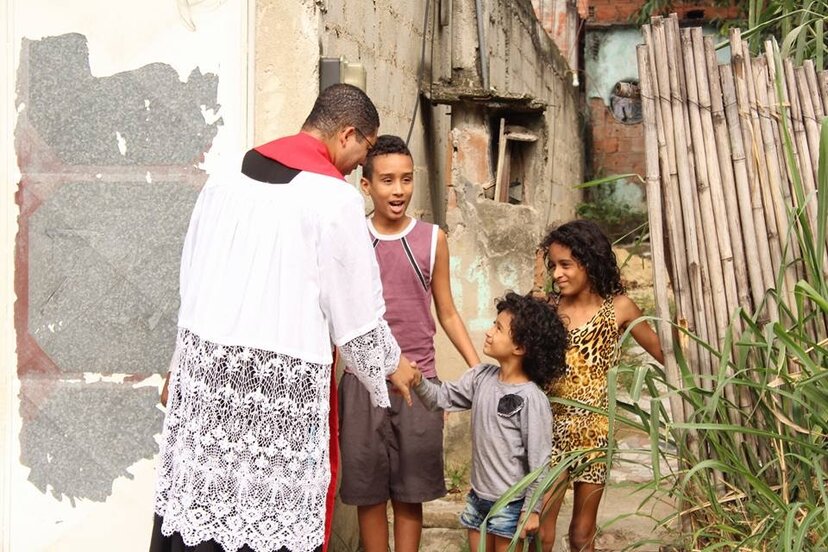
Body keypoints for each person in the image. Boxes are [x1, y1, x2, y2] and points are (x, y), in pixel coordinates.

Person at [150, 84, 417, 552]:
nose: (360, 166)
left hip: (212, 379)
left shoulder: (226, 173)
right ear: (347, 134)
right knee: (265, 518)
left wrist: (180, 364)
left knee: (208, 507)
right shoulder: (335, 201)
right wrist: (392, 366)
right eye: (365, 151)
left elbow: (192, 278)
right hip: (278, 391)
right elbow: (356, 318)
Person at [338, 135, 480, 552]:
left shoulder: (432, 239)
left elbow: (448, 312)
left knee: (409, 491)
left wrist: (477, 369)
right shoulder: (352, 239)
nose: (398, 190)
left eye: (406, 179)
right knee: (367, 490)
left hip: (419, 383)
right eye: (386, 181)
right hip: (363, 382)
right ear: (366, 186)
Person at [537, 220, 664, 552]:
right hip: (550, 429)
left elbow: (663, 351)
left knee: (582, 532)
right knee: (540, 524)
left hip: (595, 433)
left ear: (589, 262)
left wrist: (684, 330)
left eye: (566, 265)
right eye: (553, 266)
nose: (557, 274)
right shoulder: (549, 310)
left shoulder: (618, 308)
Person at [412, 292, 568, 552]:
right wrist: (417, 381)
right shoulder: (480, 378)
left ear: (519, 348)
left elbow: (539, 463)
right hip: (478, 500)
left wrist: (532, 510)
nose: (489, 332)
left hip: (512, 504)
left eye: (498, 328)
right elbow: (439, 398)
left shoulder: (532, 398)